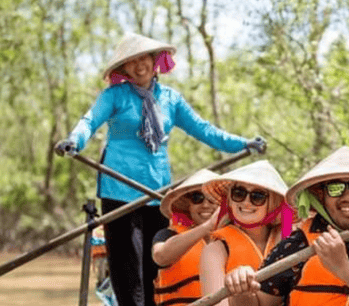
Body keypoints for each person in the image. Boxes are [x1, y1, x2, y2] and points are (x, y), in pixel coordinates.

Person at [54, 32, 266, 306]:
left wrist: (244, 144)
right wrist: (74, 141)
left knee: (154, 269)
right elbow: (89, 121)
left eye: (144, 57)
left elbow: (204, 130)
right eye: (131, 61)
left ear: (156, 60)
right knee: (127, 270)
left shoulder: (171, 99)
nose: (139, 65)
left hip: (158, 193)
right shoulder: (114, 96)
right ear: (124, 69)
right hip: (119, 192)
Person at [223, 146, 349, 306]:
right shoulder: (297, 244)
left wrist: (343, 268)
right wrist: (243, 293)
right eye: (335, 188)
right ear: (320, 197)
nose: (348, 196)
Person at [199, 160, 295, 306]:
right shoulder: (215, 250)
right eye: (239, 193)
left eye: (257, 196)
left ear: (274, 203)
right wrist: (241, 295)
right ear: (229, 199)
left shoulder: (292, 239)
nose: (246, 202)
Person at [152, 169, 226, 306]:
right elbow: (160, 256)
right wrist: (207, 227)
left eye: (212, 198)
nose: (205, 205)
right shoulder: (167, 234)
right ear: (188, 205)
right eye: (197, 198)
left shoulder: (236, 236)